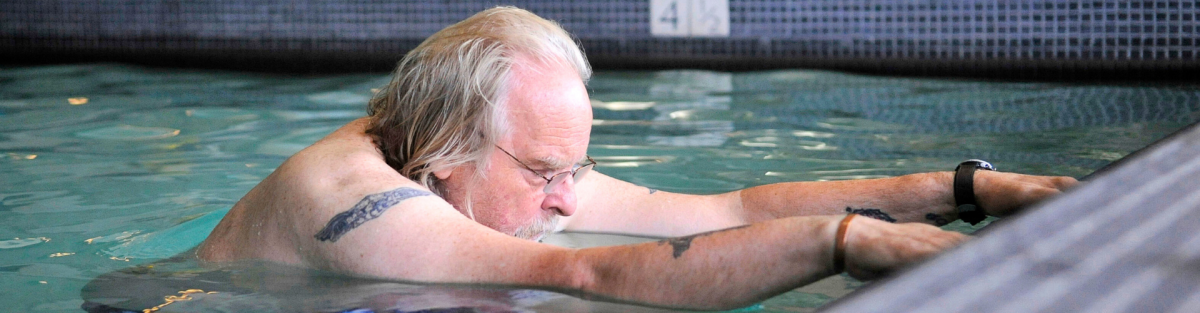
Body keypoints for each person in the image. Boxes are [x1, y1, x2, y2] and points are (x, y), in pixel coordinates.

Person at [197, 6, 1077, 310]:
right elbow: (588, 278)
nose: (566, 198)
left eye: (572, 169)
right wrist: (844, 241)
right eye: (545, 174)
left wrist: (964, 188)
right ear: (444, 156)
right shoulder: (360, 209)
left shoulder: (468, 160)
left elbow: (723, 213)